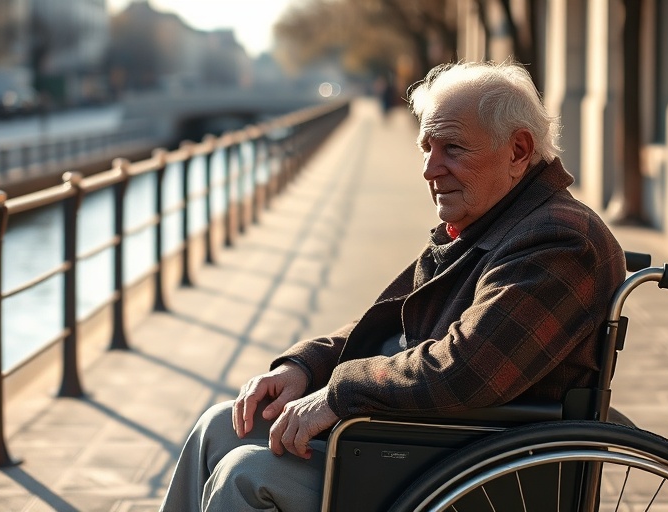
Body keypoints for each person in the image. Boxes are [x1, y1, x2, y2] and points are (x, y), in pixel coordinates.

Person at [159, 60, 626, 512]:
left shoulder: (559, 241)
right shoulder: (490, 220)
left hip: (453, 469)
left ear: (519, 151)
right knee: (221, 427)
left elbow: (461, 370)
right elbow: (393, 318)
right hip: (411, 441)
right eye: (427, 147)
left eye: (453, 149)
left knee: (246, 473)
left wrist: (338, 395)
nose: (429, 169)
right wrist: (305, 366)